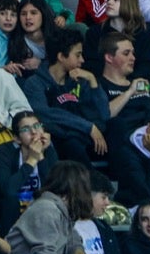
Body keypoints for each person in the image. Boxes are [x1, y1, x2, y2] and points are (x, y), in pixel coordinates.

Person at [22, 29, 110, 163]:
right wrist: (87, 127)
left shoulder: (82, 80)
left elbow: (104, 115)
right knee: (71, 143)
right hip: (62, 143)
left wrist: (93, 82)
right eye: (78, 55)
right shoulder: (35, 83)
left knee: (117, 128)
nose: (82, 60)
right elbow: (45, 115)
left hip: (88, 138)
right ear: (61, 56)